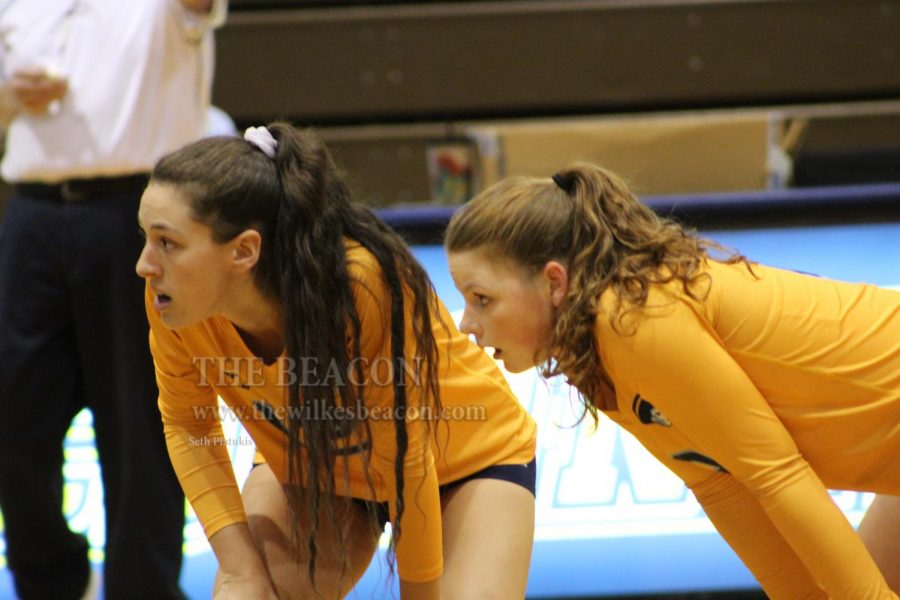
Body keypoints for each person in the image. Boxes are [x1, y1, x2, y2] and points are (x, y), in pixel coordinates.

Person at [443, 163, 900, 599]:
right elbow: (719, 485)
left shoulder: (632, 319)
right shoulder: (594, 358)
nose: (467, 324)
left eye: (482, 299)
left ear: (554, 282)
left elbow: (775, 474)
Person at [135, 122, 537, 599]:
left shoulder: (362, 286)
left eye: (168, 242)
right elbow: (188, 424)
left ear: (244, 251)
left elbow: (409, 458)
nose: (145, 263)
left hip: (462, 457)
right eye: (146, 238)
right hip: (317, 467)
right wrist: (241, 570)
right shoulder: (172, 297)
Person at [0, 1, 226, 598]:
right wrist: (8, 93)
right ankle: (50, 577)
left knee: (140, 425)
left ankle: (143, 589)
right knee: (13, 418)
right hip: (31, 212)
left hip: (141, 210)